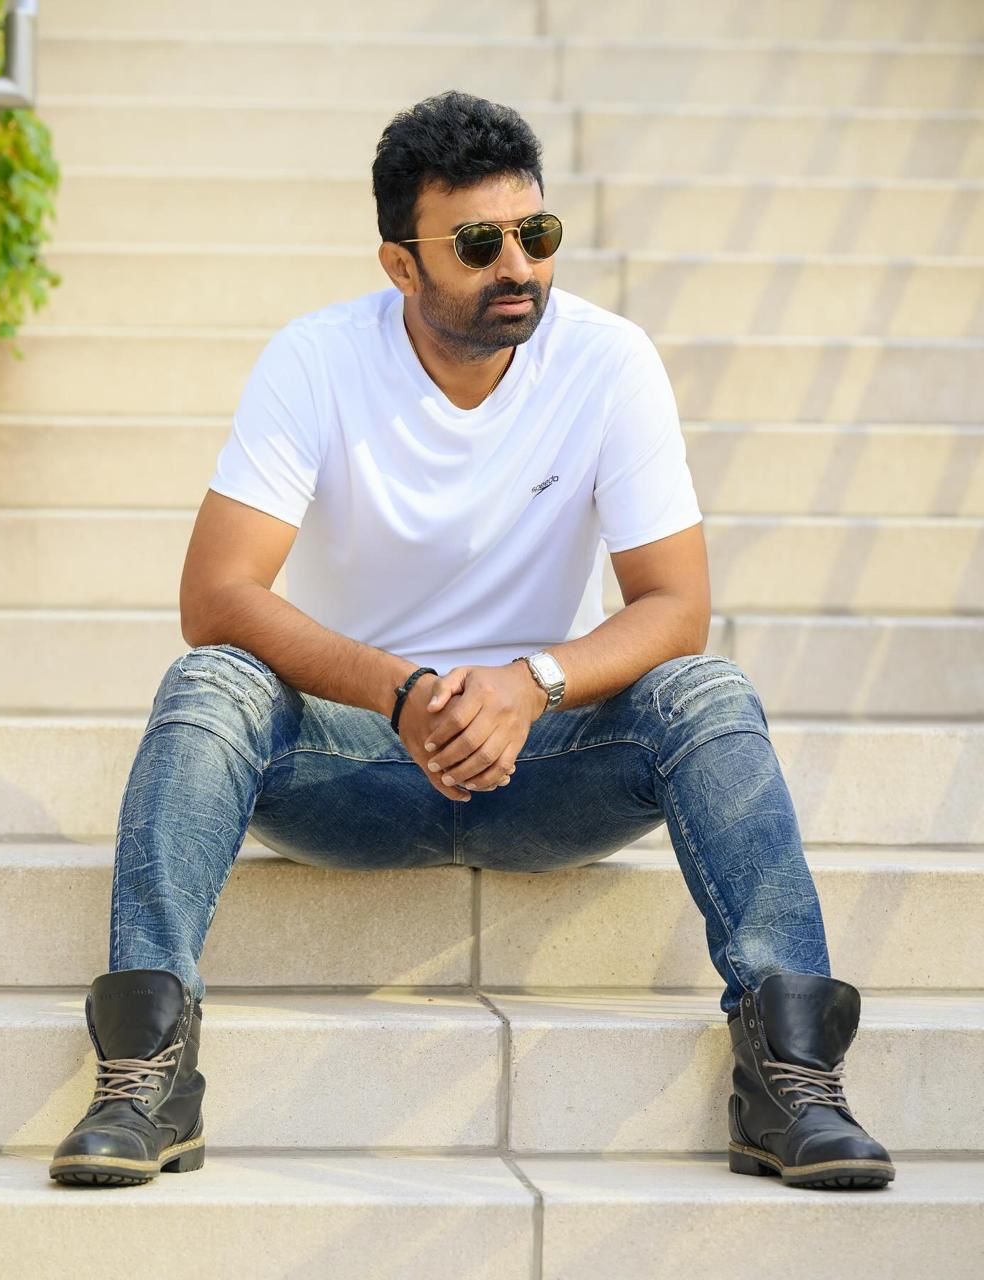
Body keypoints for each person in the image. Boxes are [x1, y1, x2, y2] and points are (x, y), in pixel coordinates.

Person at [50, 90, 895, 1193]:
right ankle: (145, 1078)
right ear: (400, 265)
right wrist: (401, 692)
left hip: (547, 766)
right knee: (209, 681)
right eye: (478, 244)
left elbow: (674, 606)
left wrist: (534, 682)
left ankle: (791, 1079)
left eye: (536, 233)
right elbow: (217, 594)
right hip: (353, 765)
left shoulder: (608, 360)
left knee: (707, 690)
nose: (520, 266)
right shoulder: (316, 360)